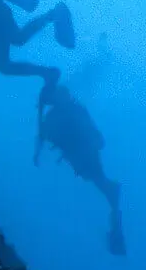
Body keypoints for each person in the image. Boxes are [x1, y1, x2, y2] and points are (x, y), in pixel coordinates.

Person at [35, 79, 125, 255]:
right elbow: (44, 134)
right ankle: (114, 213)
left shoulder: (70, 111)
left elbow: (88, 128)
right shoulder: (62, 113)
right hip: (81, 154)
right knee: (99, 182)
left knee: (100, 181)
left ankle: (115, 217)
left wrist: (38, 152)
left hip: (85, 153)